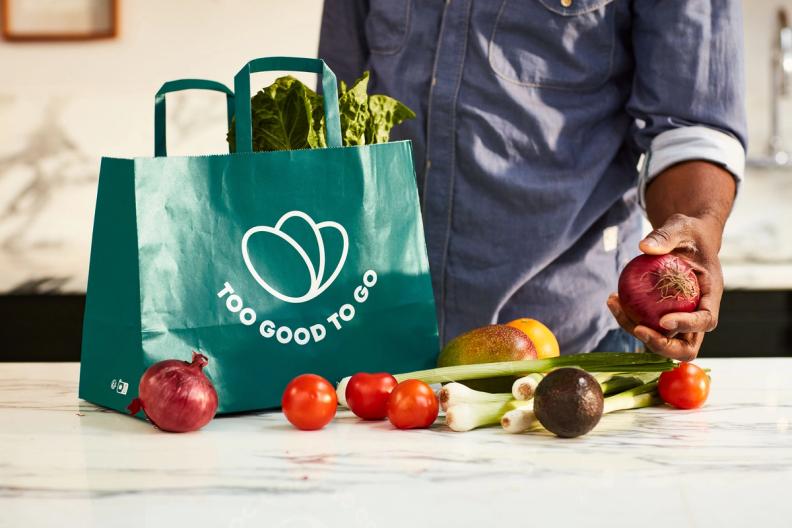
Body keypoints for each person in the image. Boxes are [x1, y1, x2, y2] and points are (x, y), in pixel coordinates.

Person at [318, 1, 746, 360]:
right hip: (375, 343)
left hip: (563, 354)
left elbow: (689, 127)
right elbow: (339, 108)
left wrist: (696, 225)